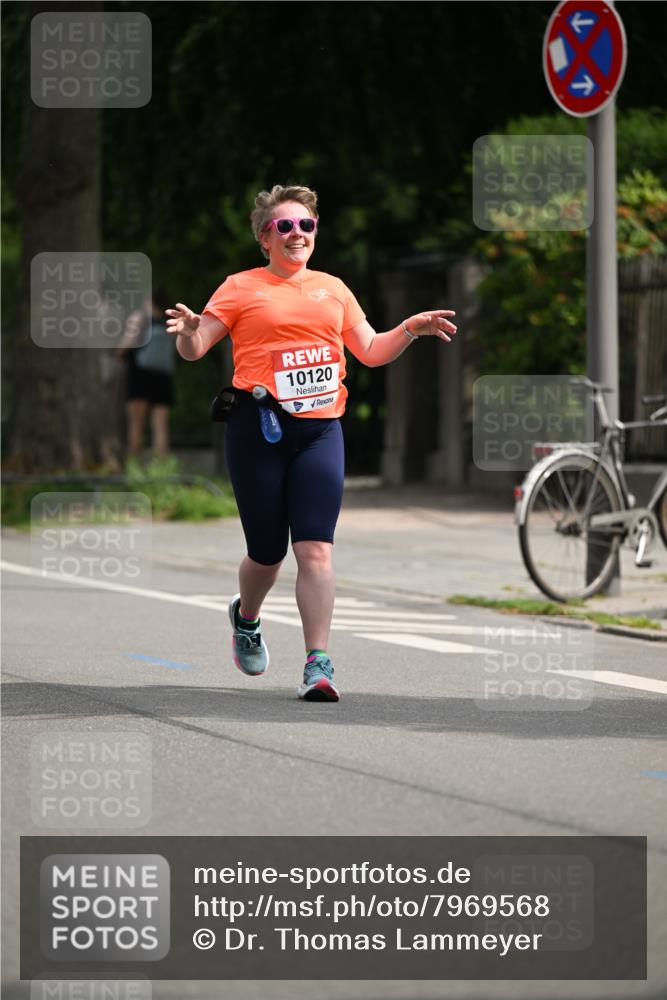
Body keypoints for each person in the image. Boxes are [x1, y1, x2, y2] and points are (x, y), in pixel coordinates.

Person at [166, 184, 457, 702]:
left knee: (316, 550)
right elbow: (196, 348)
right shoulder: (240, 287)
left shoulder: (334, 288)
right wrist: (190, 331)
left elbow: (368, 350)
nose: (297, 234)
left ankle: (317, 664)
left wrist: (410, 328)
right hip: (258, 427)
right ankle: (247, 617)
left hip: (321, 430)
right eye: (285, 226)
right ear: (265, 237)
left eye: (306, 226)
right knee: (267, 552)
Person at [118, 287, 176, 457]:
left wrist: (118, 353)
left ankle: (134, 467)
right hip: (163, 375)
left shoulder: (140, 318)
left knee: (136, 424)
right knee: (161, 426)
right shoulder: (168, 321)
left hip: (140, 374)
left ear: (149, 300)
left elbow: (125, 346)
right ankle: (161, 471)